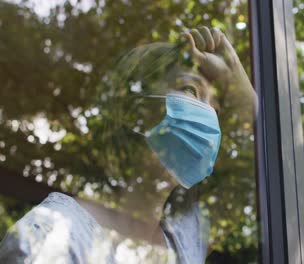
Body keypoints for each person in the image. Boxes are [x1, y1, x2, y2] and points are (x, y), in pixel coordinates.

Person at [0, 27, 257, 264]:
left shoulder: (184, 238)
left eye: (215, 107)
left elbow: (269, 180)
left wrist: (238, 86)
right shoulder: (50, 239)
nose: (208, 114)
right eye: (191, 90)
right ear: (135, 112)